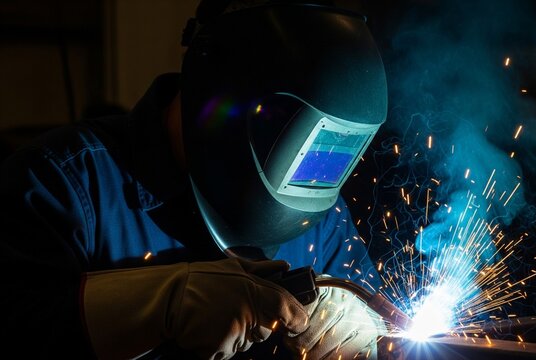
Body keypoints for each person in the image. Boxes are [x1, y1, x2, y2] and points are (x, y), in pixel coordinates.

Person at [0, 1, 389, 359]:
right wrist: (154, 308)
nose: (312, 170)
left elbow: (392, 330)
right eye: (296, 138)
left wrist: (367, 335)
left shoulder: (324, 220)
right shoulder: (62, 183)